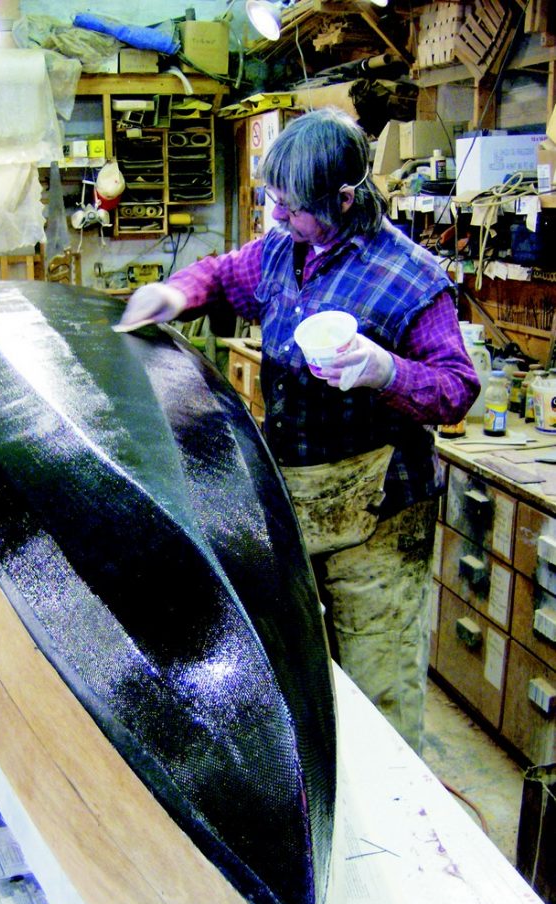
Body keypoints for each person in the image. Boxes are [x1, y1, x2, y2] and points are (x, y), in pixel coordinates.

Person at [117, 106, 480, 754]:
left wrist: (386, 370)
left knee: (378, 691)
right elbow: (224, 274)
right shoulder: (284, 251)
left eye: (291, 206)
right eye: (272, 201)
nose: (278, 217)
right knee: (300, 681)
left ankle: (389, 829)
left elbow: (456, 388)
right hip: (296, 502)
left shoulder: (411, 278)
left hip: (379, 515)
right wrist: (174, 293)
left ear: (344, 197)